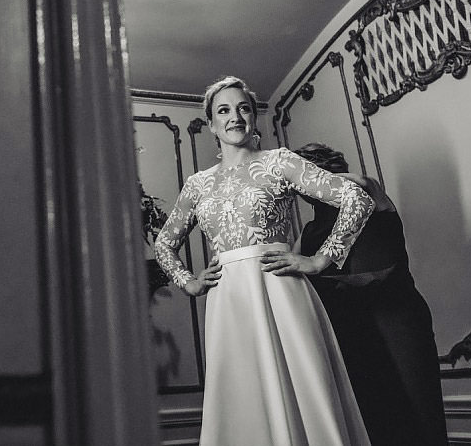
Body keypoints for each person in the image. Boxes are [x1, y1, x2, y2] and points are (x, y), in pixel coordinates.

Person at [153, 76, 374, 446]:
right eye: (223, 110)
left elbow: (357, 198)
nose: (235, 116)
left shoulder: (280, 162)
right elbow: (164, 243)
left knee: (303, 387)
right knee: (243, 395)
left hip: (280, 288)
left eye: (243, 108)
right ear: (211, 123)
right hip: (227, 302)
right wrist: (189, 283)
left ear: (254, 117)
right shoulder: (197, 184)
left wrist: (320, 260)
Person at [295, 142, 449, 446]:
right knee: (373, 419)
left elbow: (362, 182)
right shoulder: (309, 231)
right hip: (347, 331)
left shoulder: (370, 193)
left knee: (419, 412)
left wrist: (299, 172)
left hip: (398, 323)